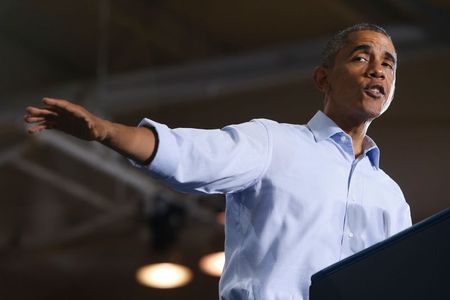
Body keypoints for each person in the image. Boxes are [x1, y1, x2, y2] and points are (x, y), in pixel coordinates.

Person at [24, 23, 411, 300]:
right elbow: (188, 154)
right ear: (322, 79)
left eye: (388, 64)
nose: (378, 70)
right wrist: (105, 131)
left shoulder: (391, 197)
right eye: (361, 57)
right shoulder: (273, 142)